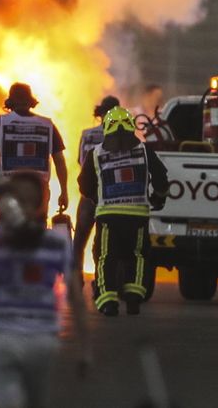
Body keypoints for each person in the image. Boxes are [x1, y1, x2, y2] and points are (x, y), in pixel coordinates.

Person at [0, 173, 90, 408]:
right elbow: (75, 296)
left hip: (1, 337)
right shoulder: (58, 242)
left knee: (4, 401)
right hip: (41, 340)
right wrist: (85, 350)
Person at [78, 105, 168, 316]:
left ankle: (108, 301)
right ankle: (134, 297)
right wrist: (158, 198)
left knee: (106, 256)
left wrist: (97, 197)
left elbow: (84, 185)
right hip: (137, 215)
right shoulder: (145, 150)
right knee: (137, 255)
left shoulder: (95, 153)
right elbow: (161, 178)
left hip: (108, 216)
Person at [0, 82, 68, 215]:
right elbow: (59, 160)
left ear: (10, 101)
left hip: (8, 188)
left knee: (6, 231)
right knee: (36, 232)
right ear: (30, 100)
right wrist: (64, 191)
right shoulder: (47, 125)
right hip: (39, 190)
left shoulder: (0, 123)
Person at [70, 95, 120, 270]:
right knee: (106, 242)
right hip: (112, 195)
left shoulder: (87, 135)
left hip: (88, 195)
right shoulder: (123, 138)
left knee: (79, 241)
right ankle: (103, 279)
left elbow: (80, 161)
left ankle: (76, 278)